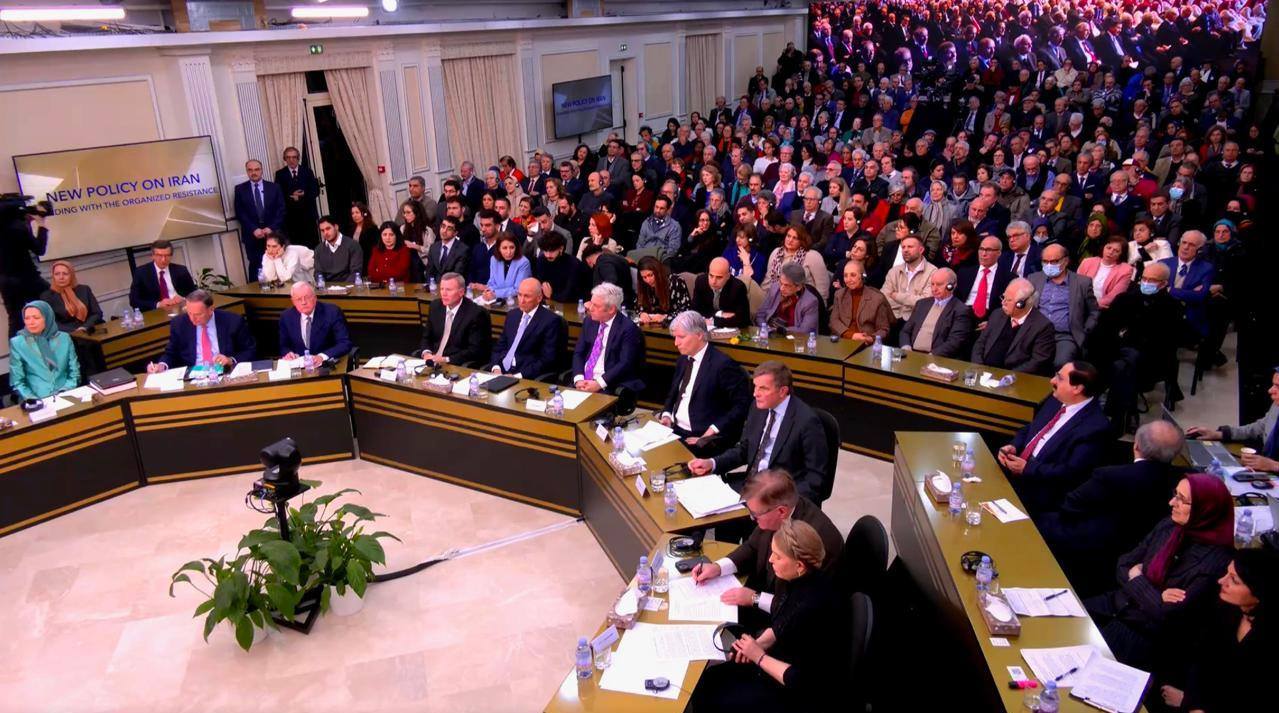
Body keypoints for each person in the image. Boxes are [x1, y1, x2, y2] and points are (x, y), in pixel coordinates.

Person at [686, 518, 849, 713]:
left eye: (777, 556)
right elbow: (783, 624)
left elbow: (800, 680)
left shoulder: (812, 606)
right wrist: (755, 645)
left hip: (801, 692)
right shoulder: (799, 580)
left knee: (712, 696)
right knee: (709, 679)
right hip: (780, 660)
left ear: (799, 565)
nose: (770, 560)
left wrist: (758, 656)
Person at [1084, 474, 1234, 671]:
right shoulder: (1169, 526)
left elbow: (1167, 615)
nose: (1172, 502)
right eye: (1175, 494)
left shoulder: (1216, 561)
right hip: (1117, 604)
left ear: (1205, 509)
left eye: (1182, 499)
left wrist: (1138, 578)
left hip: (1144, 634)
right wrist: (1155, 595)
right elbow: (1123, 564)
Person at [1038, 420, 1186, 596]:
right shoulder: (1182, 484)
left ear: (1136, 445)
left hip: (1088, 547)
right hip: (1137, 552)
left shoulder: (1110, 476)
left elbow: (1070, 505)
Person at [690, 469, 844, 625]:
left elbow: (804, 608)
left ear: (781, 511)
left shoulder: (816, 542)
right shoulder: (777, 513)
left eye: (756, 514)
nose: (752, 518)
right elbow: (752, 547)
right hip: (765, 592)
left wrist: (755, 598)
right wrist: (718, 568)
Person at [688, 361, 830, 503]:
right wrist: (712, 463)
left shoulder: (807, 421)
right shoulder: (758, 408)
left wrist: (785, 503)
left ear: (782, 391)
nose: (755, 394)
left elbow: (815, 479)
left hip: (777, 497)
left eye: (763, 388)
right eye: (755, 386)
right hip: (749, 485)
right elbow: (744, 449)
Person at [1159, 549, 1279, 713]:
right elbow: (1202, 657)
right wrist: (1192, 701)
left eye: (1234, 580)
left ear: (1259, 593)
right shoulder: (1227, 608)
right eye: (1227, 573)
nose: (1221, 581)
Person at [997, 361, 1111, 514]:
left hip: (1041, 493)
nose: (1052, 381)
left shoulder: (1095, 427)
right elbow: (1031, 429)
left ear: (1077, 388)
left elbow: (1071, 473)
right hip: (1015, 471)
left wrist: (1027, 468)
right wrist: (1014, 445)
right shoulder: (1055, 399)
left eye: (1060, 378)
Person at [657, 311, 751, 455]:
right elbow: (674, 393)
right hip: (675, 429)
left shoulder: (723, 365)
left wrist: (712, 430)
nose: (676, 343)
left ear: (699, 335)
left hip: (704, 435)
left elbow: (741, 405)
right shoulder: (683, 359)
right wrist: (666, 415)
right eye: (675, 337)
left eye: (681, 337)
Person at [1187, 366, 1279, 474]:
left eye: (1278, 386)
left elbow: (1272, 464)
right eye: (1273, 385)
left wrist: (1273, 465)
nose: (1270, 390)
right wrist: (1219, 434)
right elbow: (1259, 427)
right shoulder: (1276, 406)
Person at [147, 290, 256, 372]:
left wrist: (230, 360)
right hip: (192, 374)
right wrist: (161, 365)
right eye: (189, 313)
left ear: (211, 309)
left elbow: (250, 350)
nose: (193, 319)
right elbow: (171, 353)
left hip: (224, 372)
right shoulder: (179, 324)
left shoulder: (233, 321)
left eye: (198, 314)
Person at [1028, 243, 1099, 367]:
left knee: (1060, 363)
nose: (1049, 265)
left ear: (1065, 261)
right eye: (1045, 261)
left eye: (1054, 261)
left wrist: (1085, 330)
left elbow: (1094, 311)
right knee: (1026, 360)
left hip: (1064, 335)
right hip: (1036, 333)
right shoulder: (1034, 279)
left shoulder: (1082, 282)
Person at [571, 282, 645, 395]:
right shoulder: (589, 321)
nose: (590, 308)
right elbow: (579, 352)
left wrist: (599, 383)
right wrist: (579, 379)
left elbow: (625, 363)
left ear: (611, 309)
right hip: (583, 382)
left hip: (609, 385)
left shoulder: (628, 328)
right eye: (591, 303)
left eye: (596, 306)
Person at [971, 278, 1056, 376]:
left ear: (1021, 304)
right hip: (983, 374)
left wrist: (1006, 377)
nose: (1003, 303)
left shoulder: (1043, 326)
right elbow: (980, 343)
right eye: (1003, 297)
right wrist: (979, 367)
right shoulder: (997, 314)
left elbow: (1037, 362)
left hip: (1014, 378)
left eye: (1009, 300)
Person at [489, 277, 565, 379]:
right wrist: (496, 368)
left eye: (527, 296)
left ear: (539, 298)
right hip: (500, 372)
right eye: (519, 295)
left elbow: (547, 360)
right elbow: (499, 348)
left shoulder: (550, 321)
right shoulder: (512, 315)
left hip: (525, 375)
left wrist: (517, 376)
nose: (522, 300)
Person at [7, 300, 79, 400]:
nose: (31, 322)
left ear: (47, 318)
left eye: (36, 318)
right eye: (27, 318)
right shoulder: (18, 343)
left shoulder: (64, 338)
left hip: (66, 394)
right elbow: (17, 382)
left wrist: (65, 390)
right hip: (37, 399)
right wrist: (33, 400)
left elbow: (74, 372)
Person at [417, 272, 491, 366]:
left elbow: (475, 350)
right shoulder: (435, 306)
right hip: (432, 361)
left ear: (461, 292)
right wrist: (426, 353)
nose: (444, 293)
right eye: (442, 289)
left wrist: (446, 359)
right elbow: (426, 337)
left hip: (455, 364)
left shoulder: (476, 313)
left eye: (448, 290)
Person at [899, 268, 975, 358]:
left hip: (937, 358)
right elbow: (905, 331)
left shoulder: (961, 310)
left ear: (951, 286)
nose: (934, 289)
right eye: (932, 284)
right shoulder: (922, 304)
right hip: (912, 354)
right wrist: (906, 348)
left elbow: (955, 341)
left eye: (939, 284)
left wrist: (932, 356)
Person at [0, 203, 50, 337]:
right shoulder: (18, 228)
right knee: (52, 301)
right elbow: (39, 249)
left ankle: (16, 349)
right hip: (27, 278)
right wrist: (41, 224)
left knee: (15, 320)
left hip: (5, 281)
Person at [232, 159, 286, 278]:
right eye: (250, 170)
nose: (254, 173)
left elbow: (281, 210)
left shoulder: (274, 187)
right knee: (256, 267)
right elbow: (240, 213)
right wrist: (253, 229)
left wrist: (271, 228)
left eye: (257, 169)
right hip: (252, 236)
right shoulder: (240, 189)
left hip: (273, 234)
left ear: (262, 170)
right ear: (247, 171)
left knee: (277, 264)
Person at [278, 281, 352, 363]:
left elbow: (345, 343)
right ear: (293, 301)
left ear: (315, 297)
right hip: (299, 366)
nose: (303, 302)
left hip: (327, 364)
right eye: (299, 299)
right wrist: (288, 353)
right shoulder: (286, 316)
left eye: (307, 297)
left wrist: (322, 357)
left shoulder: (332, 312)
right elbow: (284, 346)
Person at [1161, 230, 1215, 340]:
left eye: (1192, 245)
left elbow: (1199, 296)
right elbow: (1154, 290)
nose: (1185, 247)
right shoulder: (1163, 263)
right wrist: (1188, 292)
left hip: (1187, 319)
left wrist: (1169, 290)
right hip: (1163, 315)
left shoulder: (1206, 268)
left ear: (1200, 250)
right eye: (1184, 242)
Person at [829, 259, 892, 344]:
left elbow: (884, 329)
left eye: (853, 275)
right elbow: (833, 321)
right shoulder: (839, 295)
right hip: (843, 341)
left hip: (866, 344)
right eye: (845, 275)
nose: (848, 279)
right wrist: (851, 335)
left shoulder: (877, 298)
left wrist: (871, 338)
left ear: (862, 276)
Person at [761, 225, 831, 299]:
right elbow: (768, 279)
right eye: (788, 236)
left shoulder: (812, 256)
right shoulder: (776, 252)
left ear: (802, 240)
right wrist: (762, 298)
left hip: (803, 300)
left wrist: (818, 303)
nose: (790, 240)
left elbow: (823, 287)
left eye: (795, 238)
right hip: (776, 296)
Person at [881, 234, 936, 323]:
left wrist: (897, 296)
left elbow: (926, 302)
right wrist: (910, 302)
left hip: (917, 321)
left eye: (910, 247)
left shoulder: (932, 272)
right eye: (903, 247)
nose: (905, 250)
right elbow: (883, 298)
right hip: (892, 318)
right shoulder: (894, 271)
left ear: (921, 250)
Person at [129, 240, 197, 312]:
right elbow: (133, 301)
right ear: (152, 256)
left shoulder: (181, 270)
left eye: (167, 255)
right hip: (157, 312)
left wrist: (183, 298)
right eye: (159, 255)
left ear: (171, 256)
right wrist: (158, 304)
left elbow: (194, 293)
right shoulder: (141, 273)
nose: (163, 260)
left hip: (180, 309)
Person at [757, 262, 819, 336]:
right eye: (781, 283)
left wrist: (777, 330)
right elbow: (761, 314)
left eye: (786, 285)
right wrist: (765, 328)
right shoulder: (775, 288)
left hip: (794, 338)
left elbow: (805, 330)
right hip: (769, 333)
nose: (781, 288)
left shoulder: (810, 302)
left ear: (799, 287)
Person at [274, 147, 320, 248]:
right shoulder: (280, 174)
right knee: (297, 246)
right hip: (291, 218)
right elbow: (278, 195)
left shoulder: (308, 172)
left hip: (308, 216)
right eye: (288, 157)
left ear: (298, 158)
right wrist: (291, 196)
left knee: (312, 245)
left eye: (294, 157)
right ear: (285, 159)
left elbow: (315, 191)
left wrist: (303, 195)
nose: (291, 160)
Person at [955, 236, 1007, 323]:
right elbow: (956, 298)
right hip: (963, 314)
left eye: (988, 250)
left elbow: (1006, 306)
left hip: (990, 317)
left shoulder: (1008, 278)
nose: (983, 254)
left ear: (998, 253)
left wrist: (993, 321)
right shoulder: (964, 273)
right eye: (981, 249)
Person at [40, 261, 102, 333]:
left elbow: (97, 313)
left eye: (65, 274)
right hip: (67, 333)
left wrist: (85, 327)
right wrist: (74, 331)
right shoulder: (47, 296)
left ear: (72, 275)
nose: (61, 277)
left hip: (90, 329)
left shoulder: (84, 289)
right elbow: (51, 322)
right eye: (57, 274)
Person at [1077, 235, 1135, 309]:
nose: (1110, 252)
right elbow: (1076, 286)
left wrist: (1092, 306)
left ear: (1121, 254)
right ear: (1104, 247)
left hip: (1101, 308)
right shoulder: (1087, 262)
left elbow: (1114, 295)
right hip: (1080, 303)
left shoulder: (1125, 270)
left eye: (1116, 251)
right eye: (1109, 248)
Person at [693, 257, 751, 329]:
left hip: (731, 331)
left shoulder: (738, 287)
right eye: (711, 276)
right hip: (707, 329)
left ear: (728, 276)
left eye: (719, 277)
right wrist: (720, 314)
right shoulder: (701, 282)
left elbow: (743, 320)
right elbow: (695, 311)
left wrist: (713, 321)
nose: (713, 281)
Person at [635, 256, 692, 326]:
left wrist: (665, 317)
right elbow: (637, 305)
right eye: (644, 277)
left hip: (675, 326)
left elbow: (686, 311)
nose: (648, 280)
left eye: (650, 275)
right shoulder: (644, 285)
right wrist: (642, 313)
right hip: (652, 327)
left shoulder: (676, 282)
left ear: (658, 272)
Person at [532, 233, 588, 304]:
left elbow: (568, 294)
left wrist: (551, 295)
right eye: (545, 251)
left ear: (561, 248)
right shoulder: (542, 260)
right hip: (548, 301)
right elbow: (540, 285)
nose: (548, 255)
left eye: (552, 251)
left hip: (572, 304)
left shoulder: (574, 264)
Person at [581, 243, 635, 308]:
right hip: (626, 302)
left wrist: (595, 301)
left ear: (588, 260)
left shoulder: (603, 263)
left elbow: (611, 281)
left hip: (614, 305)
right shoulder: (619, 259)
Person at [313, 215, 364, 283]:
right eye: (322, 230)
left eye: (328, 228)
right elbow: (318, 273)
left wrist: (341, 287)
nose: (325, 233)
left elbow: (355, 272)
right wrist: (323, 285)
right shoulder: (318, 250)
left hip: (349, 286)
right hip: (328, 287)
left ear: (336, 227)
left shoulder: (353, 245)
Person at [483, 233, 531, 301]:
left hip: (517, 301)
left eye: (512, 247)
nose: (508, 252)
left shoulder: (524, 262)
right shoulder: (494, 259)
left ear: (516, 248)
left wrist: (495, 293)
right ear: (499, 248)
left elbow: (518, 289)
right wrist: (488, 291)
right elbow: (491, 283)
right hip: (496, 300)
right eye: (504, 248)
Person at [425, 216, 469, 286]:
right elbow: (429, 272)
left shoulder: (462, 250)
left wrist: (442, 287)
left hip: (452, 287)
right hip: (434, 288)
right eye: (443, 226)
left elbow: (456, 274)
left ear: (455, 233)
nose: (444, 231)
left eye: (449, 229)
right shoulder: (434, 247)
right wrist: (432, 286)